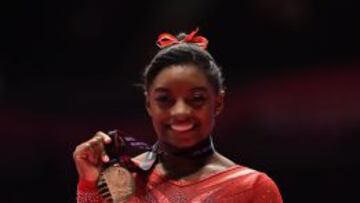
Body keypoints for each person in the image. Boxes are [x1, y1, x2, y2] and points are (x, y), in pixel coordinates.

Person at [73, 28, 283, 203]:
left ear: (218, 102)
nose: (180, 112)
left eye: (196, 99)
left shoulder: (252, 188)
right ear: (148, 103)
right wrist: (90, 184)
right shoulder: (121, 181)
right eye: (165, 100)